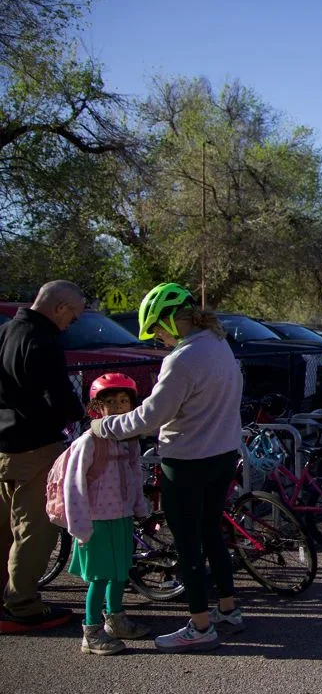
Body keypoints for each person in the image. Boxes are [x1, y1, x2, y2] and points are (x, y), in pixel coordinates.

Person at [89, 283, 244, 653]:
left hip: (188, 462)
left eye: (157, 331)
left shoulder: (183, 358)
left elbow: (150, 417)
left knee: (188, 544)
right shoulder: (219, 344)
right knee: (212, 533)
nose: (158, 340)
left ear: (171, 321)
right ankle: (228, 610)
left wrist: (103, 426)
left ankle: (200, 626)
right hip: (223, 456)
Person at [0, 280, 87, 633]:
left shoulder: (6, 332)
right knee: (34, 531)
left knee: (2, 529)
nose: (71, 324)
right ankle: (22, 605)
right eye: (74, 316)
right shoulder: (43, 342)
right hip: (34, 447)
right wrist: (80, 411)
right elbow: (60, 400)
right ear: (60, 308)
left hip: (3, 444)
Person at [63, 373, 151, 655]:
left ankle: (116, 618)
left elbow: (136, 474)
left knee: (119, 572)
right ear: (96, 408)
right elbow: (73, 485)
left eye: (124, 401)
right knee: (99, 577)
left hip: (121, 516)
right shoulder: (88, 442)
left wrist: (139, 507)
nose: (117, 407)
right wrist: (79, 526)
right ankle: (91, 632)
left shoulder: (129, 441)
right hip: (95, 520)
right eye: (109, 402)